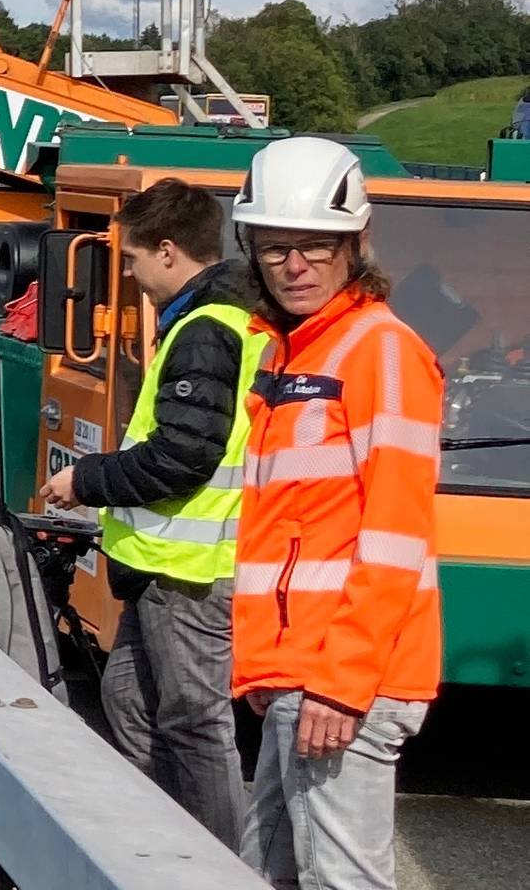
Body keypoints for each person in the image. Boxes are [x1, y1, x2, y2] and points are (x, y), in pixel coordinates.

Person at [228, 135, 442, 890]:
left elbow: (395, 533)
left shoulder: (380, 350)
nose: (296, 265)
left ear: (355, 243)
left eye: (317, 246)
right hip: (297, 670)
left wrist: (341, 683)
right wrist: (264, 666)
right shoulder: (291, 352)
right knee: (268, 873)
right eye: (276, 246)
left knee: (342, 882)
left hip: (341, 676)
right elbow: (285, 525)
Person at [38, 178, 263, 841]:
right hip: (162, 568)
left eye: (133, 261)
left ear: (169, 251)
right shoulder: (216, 318)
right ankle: (159, 846)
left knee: (194, 724)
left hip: (190, 572)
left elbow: (181, 456)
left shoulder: (207, 331)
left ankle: (218, 867)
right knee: (129, 701)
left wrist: (89, 478)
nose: (131, 278)